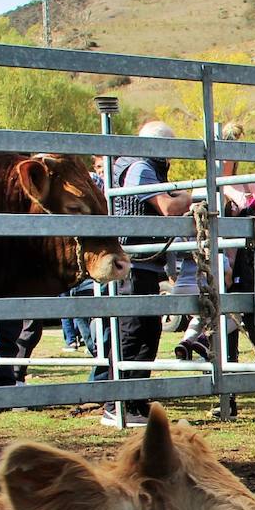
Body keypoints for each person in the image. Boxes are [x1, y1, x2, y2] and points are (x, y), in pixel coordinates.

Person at [94, 120, 192, 428]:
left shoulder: (142, 166)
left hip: (145, 263)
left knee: (147, 331)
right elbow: (168, 207)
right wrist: (189, 196)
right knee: (133, 332)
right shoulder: (141, 168)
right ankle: (117, 403)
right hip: (133, 263)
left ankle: (135, 399)